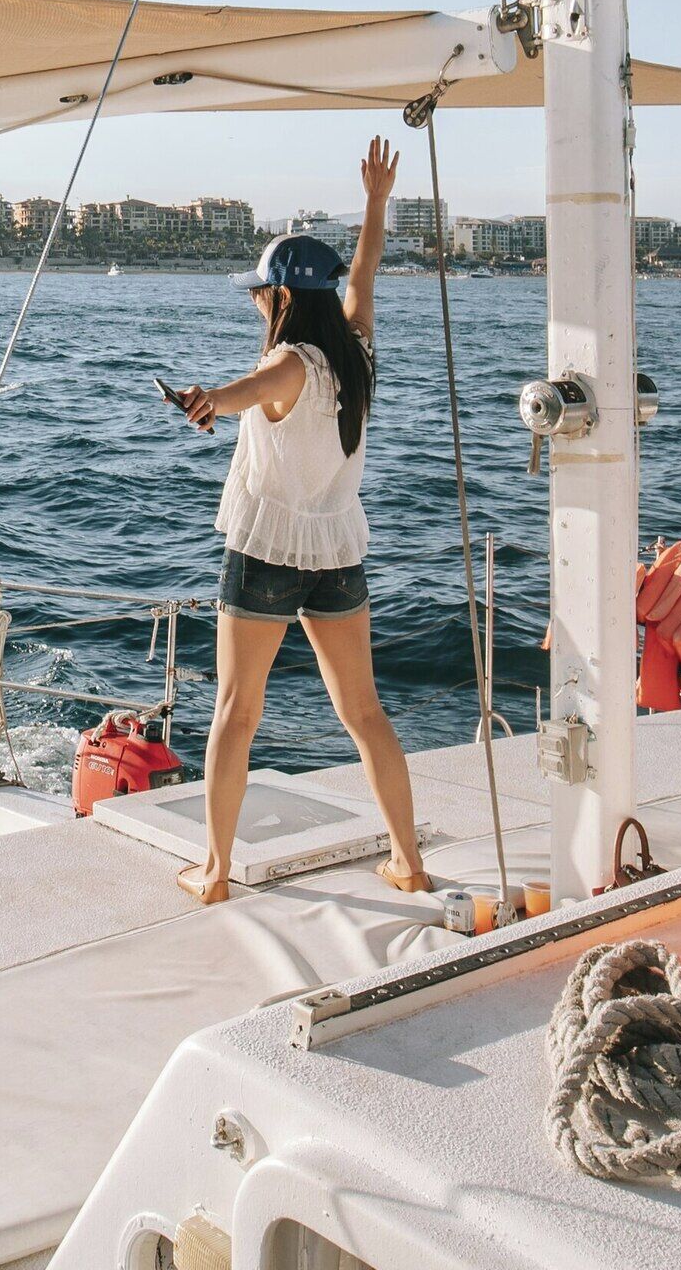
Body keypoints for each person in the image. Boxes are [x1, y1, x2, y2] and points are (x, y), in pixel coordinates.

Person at [165, 136, 428, 903]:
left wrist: (205, 401)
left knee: (235, 715)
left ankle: (214, 873)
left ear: (281, 298)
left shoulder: (287, 361)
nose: (253, 300)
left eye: (258, 292)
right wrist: (376, 201)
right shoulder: (358, 353)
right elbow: (367, 270)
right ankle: (408, 861)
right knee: (365, 712)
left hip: (270, 553)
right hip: (338, 552)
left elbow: (242, 391)